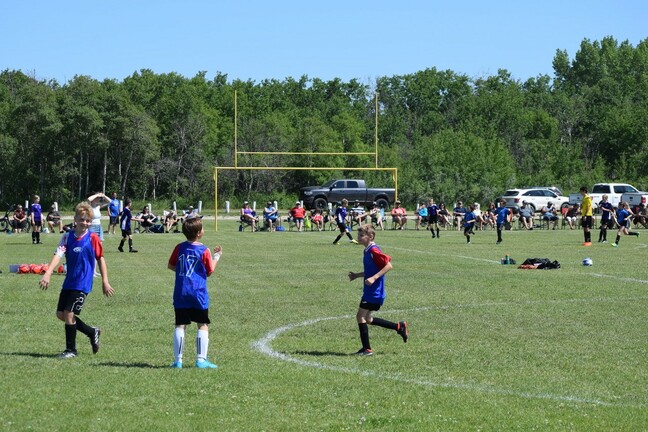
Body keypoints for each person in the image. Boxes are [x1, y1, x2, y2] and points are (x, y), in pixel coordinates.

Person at [38, 201, 115, 358]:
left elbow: (101, 259)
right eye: (82, 219)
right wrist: (48, 273)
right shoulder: (67, 237)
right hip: (69, 281)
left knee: (69, 313)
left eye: (88, 220)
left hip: (83, 283)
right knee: (61, 314)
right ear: (75, 219)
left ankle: (71, 350)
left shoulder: (93, 238)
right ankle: (92, 331)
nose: (84, 223)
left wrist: (105, 281)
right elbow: (58, 255)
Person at [168, 216, 222, 369]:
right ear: (198, 233)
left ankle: (178, 361)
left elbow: (171, 265)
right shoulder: (204, 250)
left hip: (181, 292)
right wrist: (217, 256)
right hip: (198, 292)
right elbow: (210, 271)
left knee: (180, 325)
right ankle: (201, 360)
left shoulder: (179, 247)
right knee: (202, 324)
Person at [347, 224, 408, 356]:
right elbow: (371, 270)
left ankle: (366, 349)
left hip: (374, 292)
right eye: (358, 235)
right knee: (367, 319)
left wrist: (374, 278)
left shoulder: (374, 250)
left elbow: (388, 266)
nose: (359, 237)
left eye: (361, 235)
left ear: (371, 236)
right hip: (371, 291)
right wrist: (357, 275)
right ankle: (399, 327)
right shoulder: (367, 250)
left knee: (360, 316)